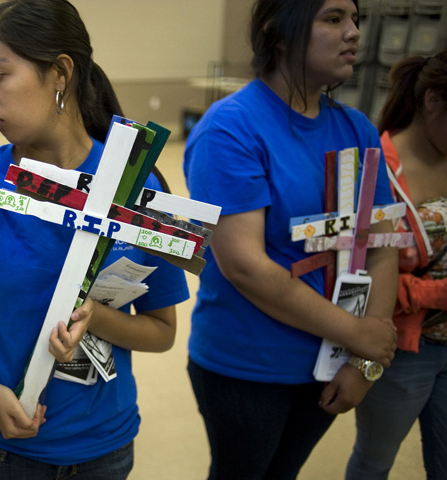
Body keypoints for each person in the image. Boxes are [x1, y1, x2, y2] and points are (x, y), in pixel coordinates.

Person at [0, 1, 190, 478]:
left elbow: (163, 333)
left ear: (60, 73)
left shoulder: (138, 186)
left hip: (106, 449)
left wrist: (95, 319)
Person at [183, 0, 400, 478]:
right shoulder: (231, 128)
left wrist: (364, 360)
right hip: (249, 367)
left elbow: (382, 247)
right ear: (278, 33)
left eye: (356, 20)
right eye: (333, 18)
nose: (353, 33)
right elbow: (246, 265)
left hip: (332, 361)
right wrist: (356, 335)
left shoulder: (357, 130)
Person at [345, 48, 447, 480]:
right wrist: (434, 293)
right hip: (404, 349)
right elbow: (357, 273)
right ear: (433, 100)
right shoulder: (377, 169)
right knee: (375, 461)